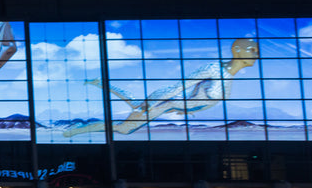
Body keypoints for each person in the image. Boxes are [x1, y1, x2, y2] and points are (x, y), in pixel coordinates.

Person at [65, 38, 259, 137]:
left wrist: (188, 109)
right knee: (124, 129)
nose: (256, 54)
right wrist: (152, 102)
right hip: (163, 102)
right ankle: (78, 129)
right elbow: (178, 87)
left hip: (170, 105)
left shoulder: (227, 76)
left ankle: (100, 84)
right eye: (252, 50)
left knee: (131, 106)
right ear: (237, 49)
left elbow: (199, 98)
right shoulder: (214, 68)